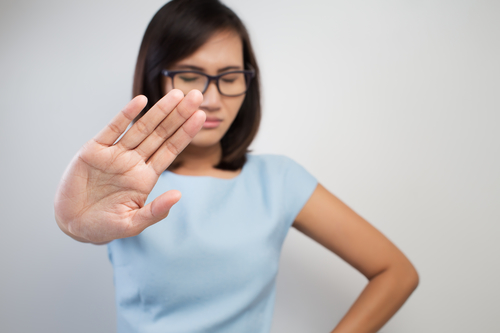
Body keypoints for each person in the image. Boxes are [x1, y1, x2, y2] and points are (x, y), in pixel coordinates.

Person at [54, 0, 419, 332]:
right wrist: (71, 223)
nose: (211, 100)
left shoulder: (279, 181)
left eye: (229, 78)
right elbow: (83, 224)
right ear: (156, 78)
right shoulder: (121, 182)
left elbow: (396, 272)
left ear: (248, 85)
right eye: (191, 76)